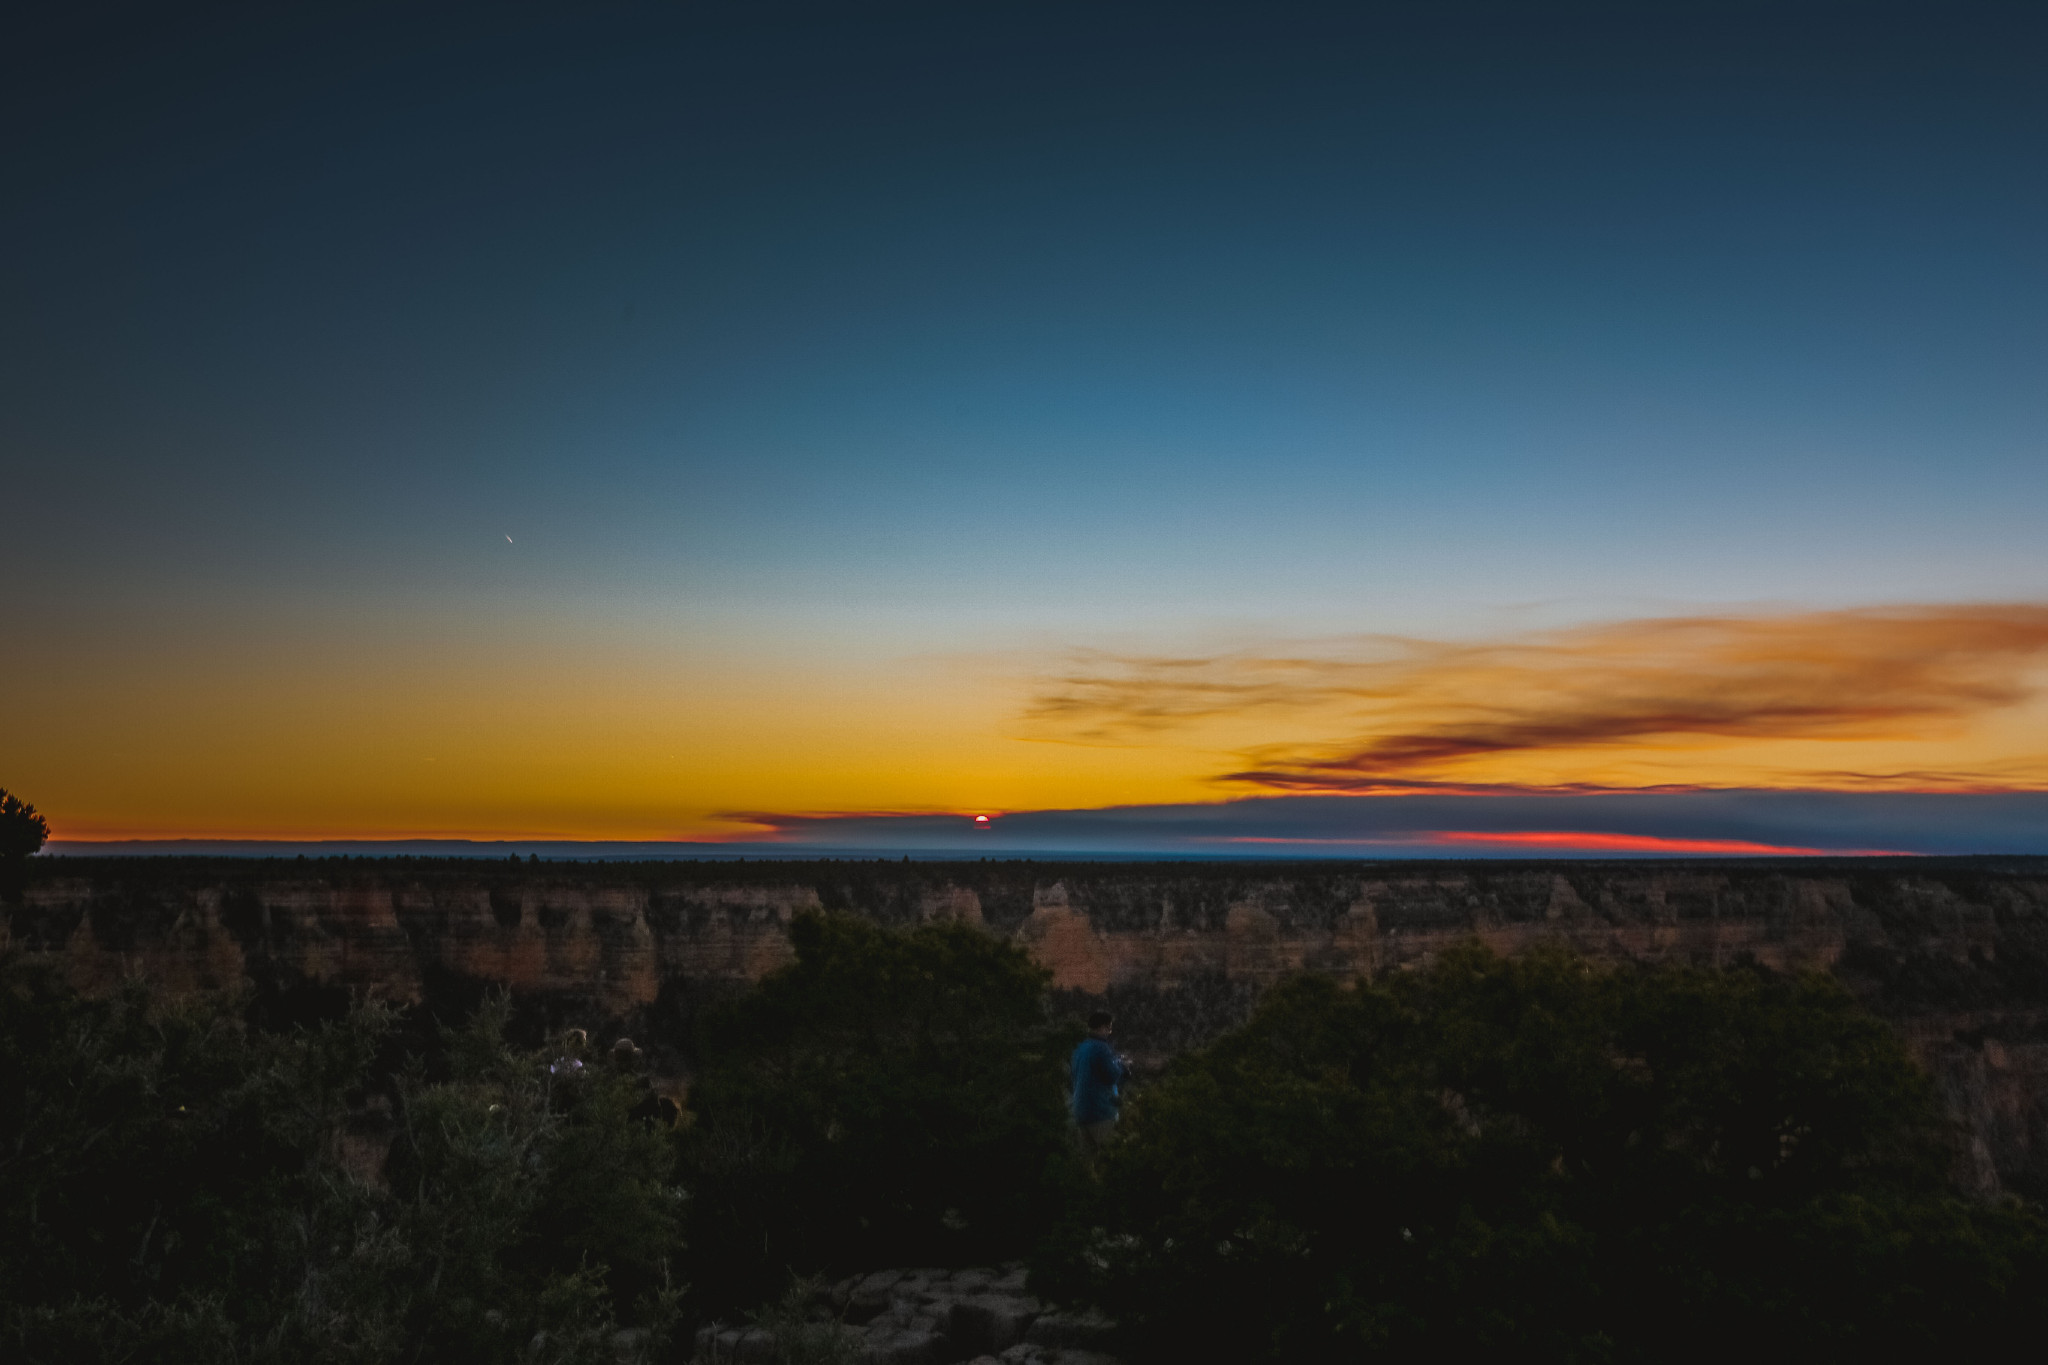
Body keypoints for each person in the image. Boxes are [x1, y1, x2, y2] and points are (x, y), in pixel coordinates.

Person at [1070, 1009, 1129, 1160]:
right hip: (1100, 1112)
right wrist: (1123, 1067)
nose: (1110, 1032)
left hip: (1080, 1112)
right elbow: (1112, 1076)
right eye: (1109, 1028)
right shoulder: (1101, 1048)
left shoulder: (1080, 1049)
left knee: (1088, 1164)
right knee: (1111, 1157)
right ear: (1102, 1027)